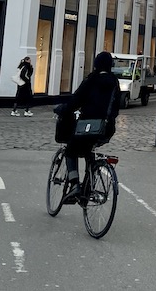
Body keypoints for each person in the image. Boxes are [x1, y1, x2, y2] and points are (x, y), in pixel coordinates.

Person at [54, 51, 120, 200]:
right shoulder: (114, 82)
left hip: (87, 126)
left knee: (71, 150)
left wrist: (62, 109)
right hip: (106, 128)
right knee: (88, 149)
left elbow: (75, 101)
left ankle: (75, 185)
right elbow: (116, 106)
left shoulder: (91, 80)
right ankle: (88, 185)